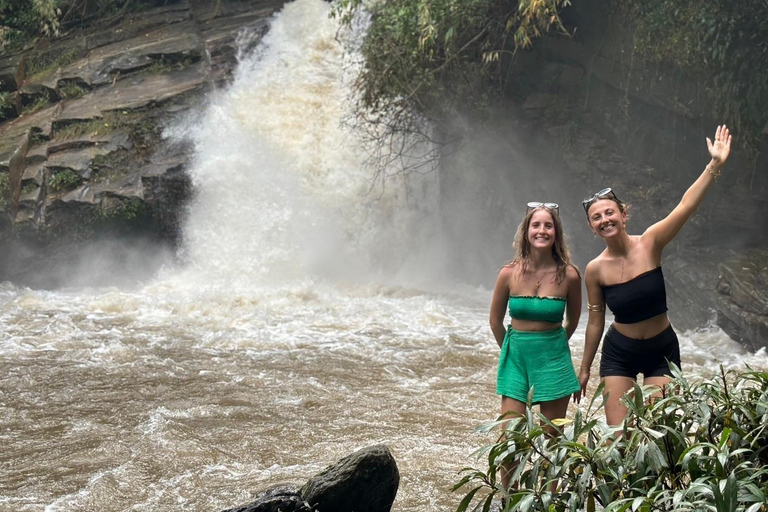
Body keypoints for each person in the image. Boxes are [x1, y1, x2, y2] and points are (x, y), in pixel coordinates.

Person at [575, 125, 733, 426]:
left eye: (609, 213)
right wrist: (584, 368)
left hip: (662, 349)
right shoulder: (594, 270)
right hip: (619, 352)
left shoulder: (650, 242)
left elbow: (686, 206)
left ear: (623, 214)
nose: (604, 220)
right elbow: (595, 320)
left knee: (656, 435)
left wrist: (714, 164)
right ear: (592, 227)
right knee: (619, 438)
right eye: (596, 217)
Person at [489, 202, 582, 490]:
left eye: (548, 225)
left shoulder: (570, 275)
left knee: (553, 440)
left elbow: (573, 321)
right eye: (536, 225)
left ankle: (549, 502)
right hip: (515, 359)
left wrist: (551, 347)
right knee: (510, 439)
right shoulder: (509, 273)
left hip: (553, 361)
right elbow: (495, 321)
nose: (542, 230)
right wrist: (511, 350)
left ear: (556, 232)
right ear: (526, 231)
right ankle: (510, 501)